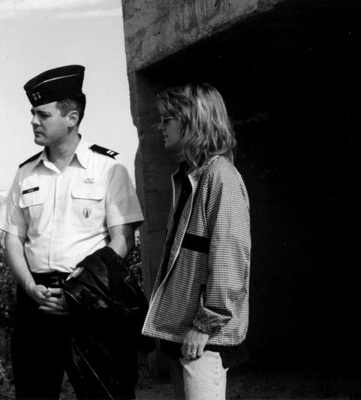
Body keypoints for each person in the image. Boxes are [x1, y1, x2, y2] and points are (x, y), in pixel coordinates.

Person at [0, 65, 145, 400]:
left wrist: (78, 292)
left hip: (90, 300)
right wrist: (31, 287)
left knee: (105, 392)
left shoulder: (109, 168)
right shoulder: (25, 174)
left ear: (72, 118)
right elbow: (12, 239)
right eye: (32, 114)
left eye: (42, 114)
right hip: (37, 302)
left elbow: (122, 241)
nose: (33, 121)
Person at [141, 83, 251, 400]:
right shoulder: (192, 175)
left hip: (203, 336)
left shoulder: (220, 177)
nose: (160, 127)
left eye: (167, 119)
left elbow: (231, 259)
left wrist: (205, 325)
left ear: (193, 121)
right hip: (184, 333)